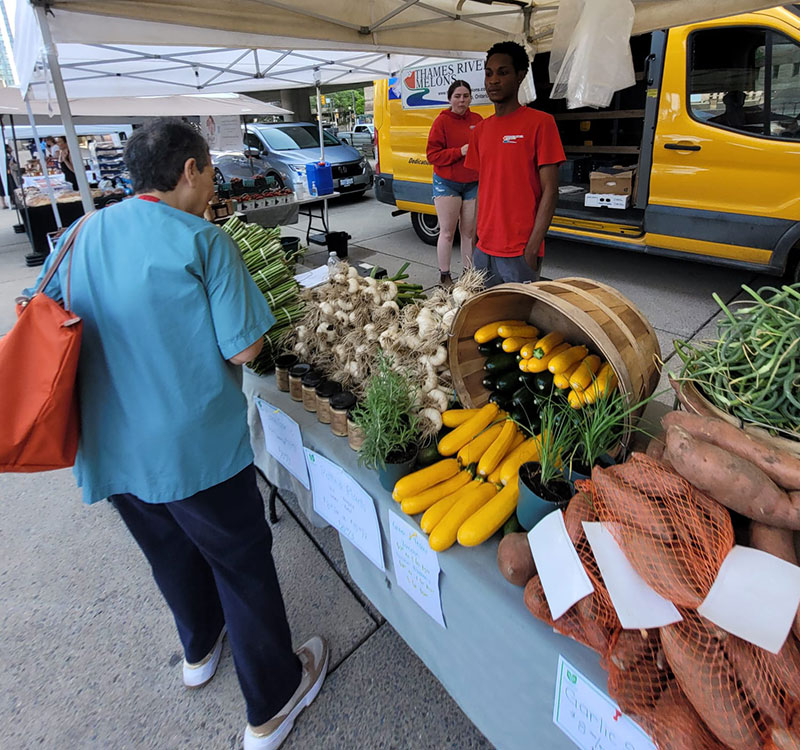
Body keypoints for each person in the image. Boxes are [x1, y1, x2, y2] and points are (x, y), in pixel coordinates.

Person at [23, 118, 328, 750]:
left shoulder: (77, 234)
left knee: (169, 552)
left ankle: (199, 649)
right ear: (189, 170)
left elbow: (37, 314)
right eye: (210, 171)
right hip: (195, 452)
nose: (214, 183)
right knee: (241, 565)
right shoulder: (204, 240)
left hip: (111, 447)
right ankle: (273, 701)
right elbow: (245, 349)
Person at [465, 41, 566, 287]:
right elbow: (483, 187)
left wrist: (532, 249)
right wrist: (476, 237)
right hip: (483, 250)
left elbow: (551, 191)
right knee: (484, 319)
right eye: (488, 73)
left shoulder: (541, 123)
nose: (493, 80)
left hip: (519, 252)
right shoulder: (480, 130)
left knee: (518, 324)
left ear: (520, 76)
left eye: (503, 72)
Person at [426, 79, 482, 289]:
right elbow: (432, 155)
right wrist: (460, 151)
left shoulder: (478, 120)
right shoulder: (441, 121)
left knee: (469, 232)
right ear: (450, 98)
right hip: (447, 184)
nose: (461, 100)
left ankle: (468, 275)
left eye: (465, 96)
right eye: (457, 96)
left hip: (472, 183)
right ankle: (445, 275)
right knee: (448, 232)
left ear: (470, 98)